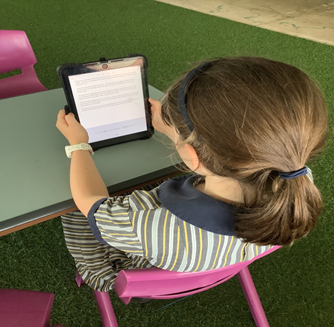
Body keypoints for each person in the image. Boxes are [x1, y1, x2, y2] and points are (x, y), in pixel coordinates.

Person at [56, 56, 328, 292]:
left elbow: (89, 200)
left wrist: (79, 145)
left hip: (134, 268)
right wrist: (175, 132)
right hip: (216, 263)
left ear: (191, 155)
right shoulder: (296, 179)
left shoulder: (143, 225)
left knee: (72, 211)